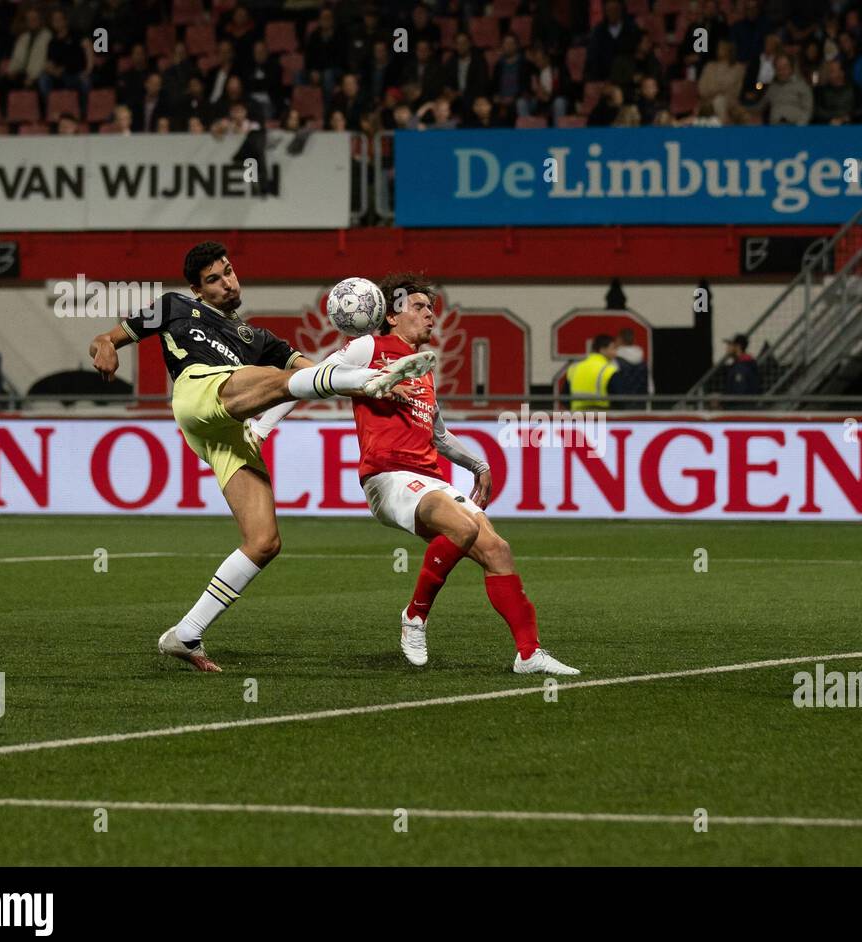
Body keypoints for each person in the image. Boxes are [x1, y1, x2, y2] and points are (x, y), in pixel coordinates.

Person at [87, 244, 429, 672]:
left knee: (264, 541)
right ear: (198, 289)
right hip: (198, 392)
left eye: (228, 272)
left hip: (228, 430)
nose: (227, 282)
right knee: (277, 379)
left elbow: (312, 372)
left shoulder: (258, 338)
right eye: (214, 279)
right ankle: (367, 379)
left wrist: (368, 382)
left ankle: (186, 634)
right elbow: (112, 335)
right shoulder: (175, 307)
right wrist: (104, 344)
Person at [247, 274, 580, 676]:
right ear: (390, 315)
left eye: (431, 309)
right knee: (462, 527)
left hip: (428, 477)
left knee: (497, 550)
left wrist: (479, 465)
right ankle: (415, 616)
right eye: (419, 307)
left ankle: (529, 654)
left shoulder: (422, 370)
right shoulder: (368, 347)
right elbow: (307, 382)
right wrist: (263, 429)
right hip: (388, 477)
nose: (430, 316)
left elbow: (438, 435)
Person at [566, 334, 619, 410]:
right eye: (613, 348)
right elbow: (618, 398)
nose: (615, 353)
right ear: (602, 349)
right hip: (602, 415)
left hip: (578, 416)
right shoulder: (609, 370)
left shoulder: (574, 368)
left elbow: (564, 396)